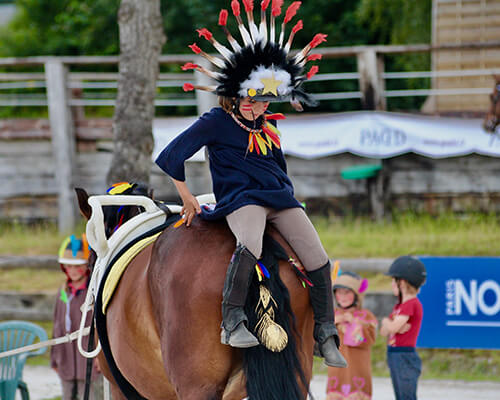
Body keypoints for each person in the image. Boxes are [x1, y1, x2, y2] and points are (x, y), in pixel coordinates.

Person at [155, 1, 346, 367]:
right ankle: (232, 320)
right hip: (242, 199)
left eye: (263, 102)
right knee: (250, 243)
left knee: (318, 257)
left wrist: (288, 200)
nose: (257, 108)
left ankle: (325, 332)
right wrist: (186, 196)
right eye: (252, 100)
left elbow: (280, 169)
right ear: (236, 92)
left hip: (278, 197)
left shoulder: (269, 126)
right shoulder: (215, 121)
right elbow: (172, 154)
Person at [51, 235, 101, 400]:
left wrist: (99, 356)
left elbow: (98, 326)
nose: (72, 271)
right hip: (65, 356)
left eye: (77, 267)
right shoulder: (62, 293)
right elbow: (57, 325)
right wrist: (55, 356)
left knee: (88, 394)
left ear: (86, 267)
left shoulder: (92, 293)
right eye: (69, 266)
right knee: (67, 394)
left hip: (87, 357)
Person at [380, 256, 427, 400]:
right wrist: (387, 323)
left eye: (393, 281)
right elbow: (384, 332)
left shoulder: (411, 304)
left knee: (406, 396)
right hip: (394, 354)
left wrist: (389, 323)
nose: (392, 285)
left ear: (402, 282)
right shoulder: (399, 306)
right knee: (400, 395)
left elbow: (392, 327)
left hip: (404, 356)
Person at [327, 271, 378, 400]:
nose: (342, 296)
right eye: (339, 292)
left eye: (347, 292)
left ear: (356, 295)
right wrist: (333, 324)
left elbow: (366, 341)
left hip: (358, 371)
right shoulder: (331, 316)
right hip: (337, 372)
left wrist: (356, 326)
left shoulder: (365, 316)